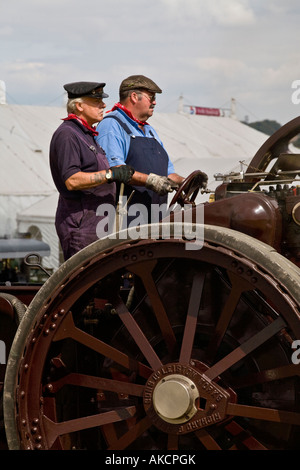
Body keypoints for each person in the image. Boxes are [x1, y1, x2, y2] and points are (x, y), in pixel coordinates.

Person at [96, 75, 208, 226]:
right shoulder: (112, 125)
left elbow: (168, 174)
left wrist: (186, 182)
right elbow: (115, 170)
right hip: (125, 219)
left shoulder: (149, 130)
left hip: (154, 218)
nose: (154, 102)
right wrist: (151, 181)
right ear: (134, 97)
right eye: (151, 97)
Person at [49, 81, 135, 260]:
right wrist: (110, 175)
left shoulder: (86, 134)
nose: (103, 105)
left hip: (94, 222)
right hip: (81, 226)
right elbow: (72, 180)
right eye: (96, 101)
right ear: (79, 106)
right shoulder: (68, 134)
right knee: (86, 283)